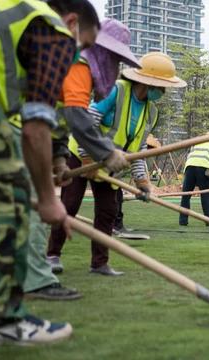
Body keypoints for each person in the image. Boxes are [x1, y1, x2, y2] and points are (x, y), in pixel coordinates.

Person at [0, 0, 99, 345]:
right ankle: (3, 319)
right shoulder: (52, 29)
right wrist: (48, 201)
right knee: (3, 193)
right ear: (72, 22)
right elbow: (37, 127)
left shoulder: (7, 13)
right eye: (86, 44)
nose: (80, 53)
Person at [23, 18, 139, 301]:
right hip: (21, 131)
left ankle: (38, 275)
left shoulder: (78, 67)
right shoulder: (80, 64)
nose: (114, 66)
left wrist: (59, 158)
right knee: (38, 208)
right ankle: (37, 276)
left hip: (42, 135)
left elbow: (59, 112)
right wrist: (106, 153)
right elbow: (76, 114)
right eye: (113, 58)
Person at [49, 52, 184, 275]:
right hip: (80, 155)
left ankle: (99, 263)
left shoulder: (152, 111)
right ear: (148, 81)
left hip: (110, 163)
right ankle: (52, 255)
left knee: (108, 211)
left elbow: (138, 149)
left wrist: (142, 182)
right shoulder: (116, 90)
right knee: (69, 205)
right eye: (161, 86)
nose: (163, 91)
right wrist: (88, 157)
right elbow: (88, 121)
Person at [179, 134, 209, 226]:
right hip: (204, 168)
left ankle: (183, 221)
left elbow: (190, 158)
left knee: (185, 195)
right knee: (206, 195)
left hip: (189, 167)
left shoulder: (196, 143)